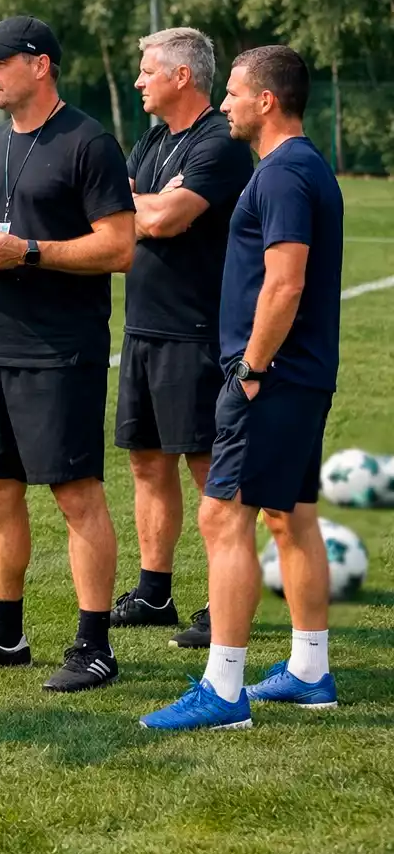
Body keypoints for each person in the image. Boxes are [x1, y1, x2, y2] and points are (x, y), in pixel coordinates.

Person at [0, 15, 135, 693]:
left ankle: (94, 646)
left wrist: (32, 251)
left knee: (75, 495)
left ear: (39, 64)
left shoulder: (89, 142)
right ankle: (3, 636)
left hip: (60, 349)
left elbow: (120, 246)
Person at [141, 45, 344, 731]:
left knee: (223, 516)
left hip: (273, 377)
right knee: (292, 514)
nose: (223, 104)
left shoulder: (285, 174)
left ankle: (223, 690)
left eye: (232, 93)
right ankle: (311, 670)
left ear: (266, 101)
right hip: (299, 376)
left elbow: (285, 282)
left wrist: (252, 368)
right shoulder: (300, 166)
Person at [114, 27, 255, 650]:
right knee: (147, 461)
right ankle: (154, 591)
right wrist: (144, 205)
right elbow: (118, 214)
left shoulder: (220, 143)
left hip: (196, 331)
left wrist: (145, 209)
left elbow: (167, 219)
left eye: (148, 71)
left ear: (180, 77)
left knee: (207, 467)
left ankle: (220, 598)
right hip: (143, 327)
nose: (139, 81)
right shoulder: (151, 140)